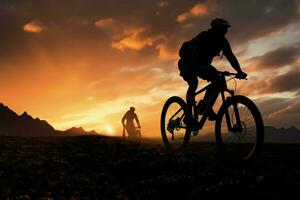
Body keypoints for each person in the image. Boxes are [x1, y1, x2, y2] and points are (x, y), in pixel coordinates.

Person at [178, 18, 247, 129]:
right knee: (193, 83)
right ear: (215, 28)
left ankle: (205, 106)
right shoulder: (203, 36)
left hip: (202, 64)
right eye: (223, 29)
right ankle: (189, 115)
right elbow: (195, 55)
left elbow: (231, 57)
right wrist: (203, 68)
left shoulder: (223, 42)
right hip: (187, 62)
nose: (225, 31)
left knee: (217, 80)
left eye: (226, 29)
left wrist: (239, 71)